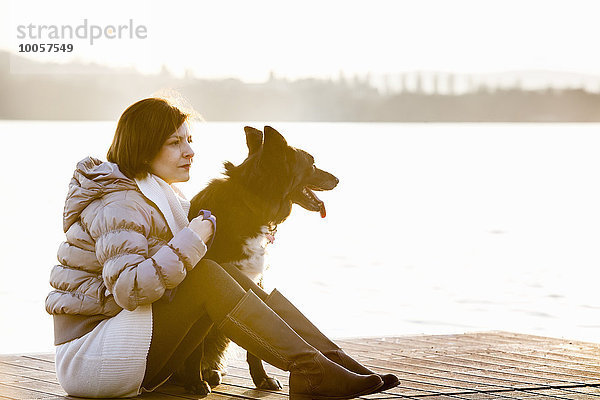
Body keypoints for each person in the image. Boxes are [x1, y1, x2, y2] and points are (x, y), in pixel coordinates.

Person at [45, 97, 399, 399]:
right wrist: (190, 240)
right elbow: (129, 288)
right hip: (93, 357)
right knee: (207, 273)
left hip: (125, 344)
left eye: (189, 140)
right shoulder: (119, 203)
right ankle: (314, 370)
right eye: (175, 143)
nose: (190, 151)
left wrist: (191, 244)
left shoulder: (157, 196)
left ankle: (328, 360)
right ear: (145, 146)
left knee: (222, 270)